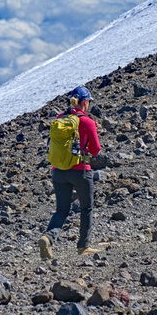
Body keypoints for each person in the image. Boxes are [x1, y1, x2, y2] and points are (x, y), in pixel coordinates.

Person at [39, 85, 102, 259]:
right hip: (80, 170)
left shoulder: (60, 119)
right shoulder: (87, 121)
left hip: (58, 171)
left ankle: (48, 238)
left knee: (61, 210)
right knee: (86, 208)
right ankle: (83, 246)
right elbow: (96, 150)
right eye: (88, 101)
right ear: (84, 102)